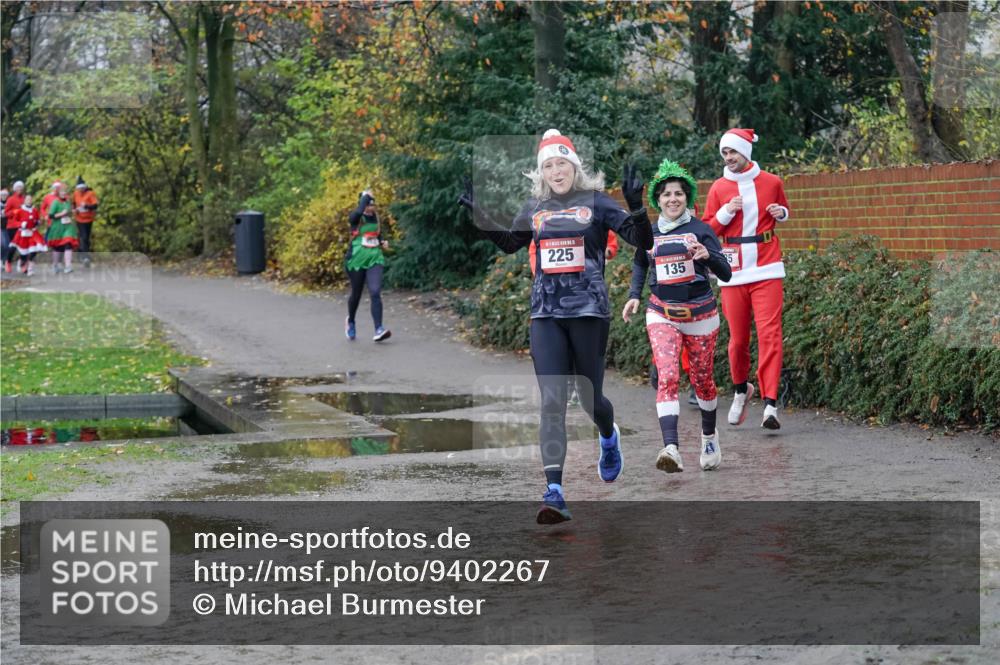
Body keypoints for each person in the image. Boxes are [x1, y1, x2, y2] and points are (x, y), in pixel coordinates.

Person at [459, 129, 654, 524]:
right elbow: (511, 242)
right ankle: (554, 491)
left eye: (561, 162)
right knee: (551, 401)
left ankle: (608, 435)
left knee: (589, 400)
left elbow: (641, 240)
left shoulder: (597, 202)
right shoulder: (535, 205)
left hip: (588, 312)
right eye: (548, 165)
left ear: (574, 166)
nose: (555, 170)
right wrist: (481, 216)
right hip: (545, 313)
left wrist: (636, 208)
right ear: (541, 172)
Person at [623, 159, 732, 472]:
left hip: (701, 315)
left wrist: (707, 256)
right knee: (668, 376)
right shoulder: (651, 233)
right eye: (667, 194)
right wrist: (634, 296)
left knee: (703, 383)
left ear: (688, 198)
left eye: (679, 194)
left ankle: (709, 436)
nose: (673, 199)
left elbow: (725, 273)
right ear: (658, 199)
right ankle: (671, 448)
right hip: (662, 313)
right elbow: (641, 263)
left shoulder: (701, 230)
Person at [703, 128, 790, 430]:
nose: (729, 158)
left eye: (733, 152)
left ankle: (770, 404)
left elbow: (783, 210)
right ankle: (741, 389)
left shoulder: (772, 182)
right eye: (725, 153)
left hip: (767, 266)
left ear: (746, 152)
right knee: (738, 339)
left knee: (770, 335)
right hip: (733, 269)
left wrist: (781, 213)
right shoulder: (718, 188)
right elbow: (708, 229)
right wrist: (726, 213)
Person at [345, 190, 390, 342]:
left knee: (375, 291)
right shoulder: (356, 218)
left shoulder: (376, 218)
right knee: (356, 294)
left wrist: (382, 242)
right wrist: (365, 196)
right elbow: (358, 212)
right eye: (369, 204)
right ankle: (351, 321)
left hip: (374, 259)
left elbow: (377, 236)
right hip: (357, 260)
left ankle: (379, 329)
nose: (371, 207)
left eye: (373, 204)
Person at [8, 194, 46, 276]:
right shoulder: (20, 210)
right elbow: (14, 222)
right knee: (23, 253)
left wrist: (38, 222)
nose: (29, 200)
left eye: (30, 199)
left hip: (32, 233)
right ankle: (21, 263)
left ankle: (30, 268)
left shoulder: (34, 210)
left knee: (34, 250)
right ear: (24, 200)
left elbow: (37, 220)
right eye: (27, 199)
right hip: (22, 233)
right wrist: (21, 224)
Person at [46, 183, 78, 273]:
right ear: (59, 193)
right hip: (58, 226)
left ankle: (68, 266)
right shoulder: (55, 202)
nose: (64, 194)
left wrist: (72, 212)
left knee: (68, 243)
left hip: (68, 226)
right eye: (62, 192)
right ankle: (55, 265)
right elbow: (51, 215)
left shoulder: (68, 202)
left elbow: (69, 212)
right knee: (58, 247)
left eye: (65, 192)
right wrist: (61, 214)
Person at [72, 176, 99, 266]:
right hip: (79, 218)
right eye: (79, 188)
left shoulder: (90, 193)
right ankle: (84, 256)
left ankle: (83, 253)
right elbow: (73, 203)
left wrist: (86, 206)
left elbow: (95, 205)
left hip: (88, 219)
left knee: (86, 237)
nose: (80, 190)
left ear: (85, 187)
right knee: (82, 237)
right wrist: (74, 209)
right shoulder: (76, 193)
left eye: (82, 188)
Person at [4, 181, 25, 273]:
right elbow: (6, 213)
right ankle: (8, 262)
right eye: (18, 187)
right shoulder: (11, 199)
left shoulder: (24, 199)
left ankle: (22, 264)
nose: (19, 189)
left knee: (24, 246)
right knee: (14, 246)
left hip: (22, 226)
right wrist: (14, 212)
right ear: (15, 189)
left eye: (21, 187)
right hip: (12, 226)